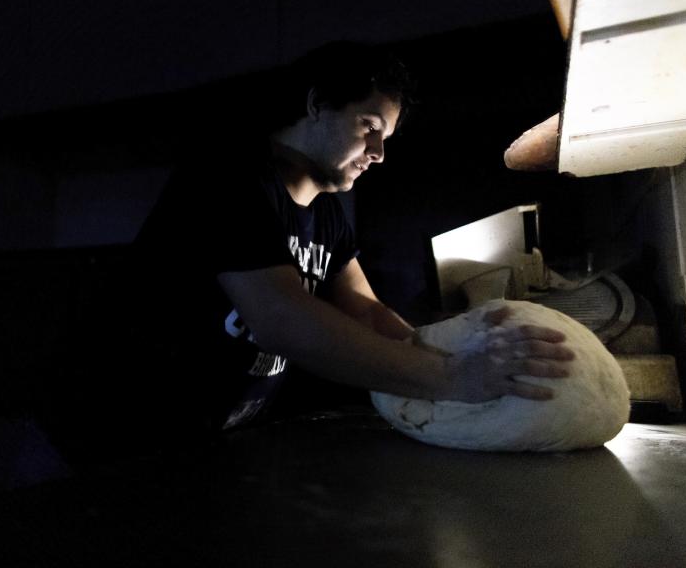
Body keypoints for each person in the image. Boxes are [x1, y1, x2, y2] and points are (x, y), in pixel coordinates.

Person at [130, 41, 574, 440]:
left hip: (214, 434)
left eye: (387, 137)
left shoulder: (326, 214)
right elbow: (280, 318)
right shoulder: (230, 179)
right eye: (369, 126)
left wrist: (453, 349)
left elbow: (367, 310)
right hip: (128, 429)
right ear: (317, 104)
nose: (379, 152)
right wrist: (449, 375)